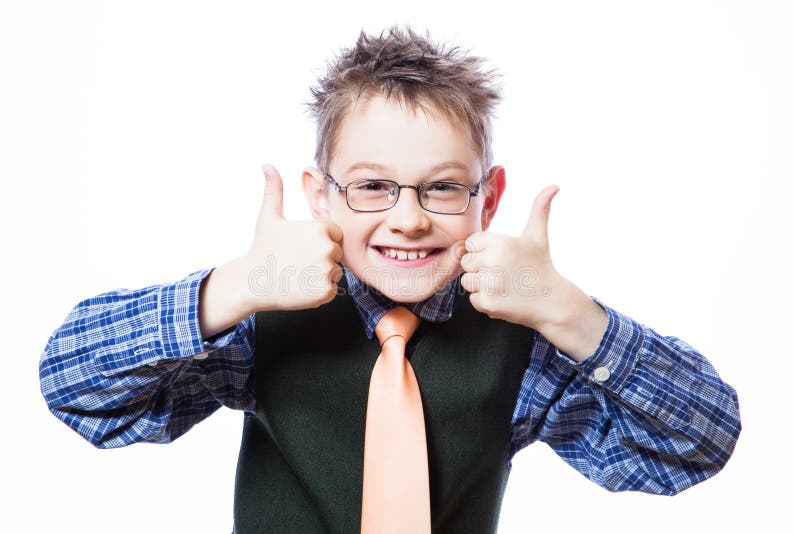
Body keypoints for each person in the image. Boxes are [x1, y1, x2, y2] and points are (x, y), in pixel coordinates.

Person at [39, 25, 741, 533]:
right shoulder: (263, 322)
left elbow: (698, 444)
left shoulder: (520, 344)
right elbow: (74, 386)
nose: (407, 219)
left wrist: (574, 316)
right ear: (322, 195)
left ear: (487, 200)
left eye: (441, 188)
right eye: (372, 186)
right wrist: (236, 286)